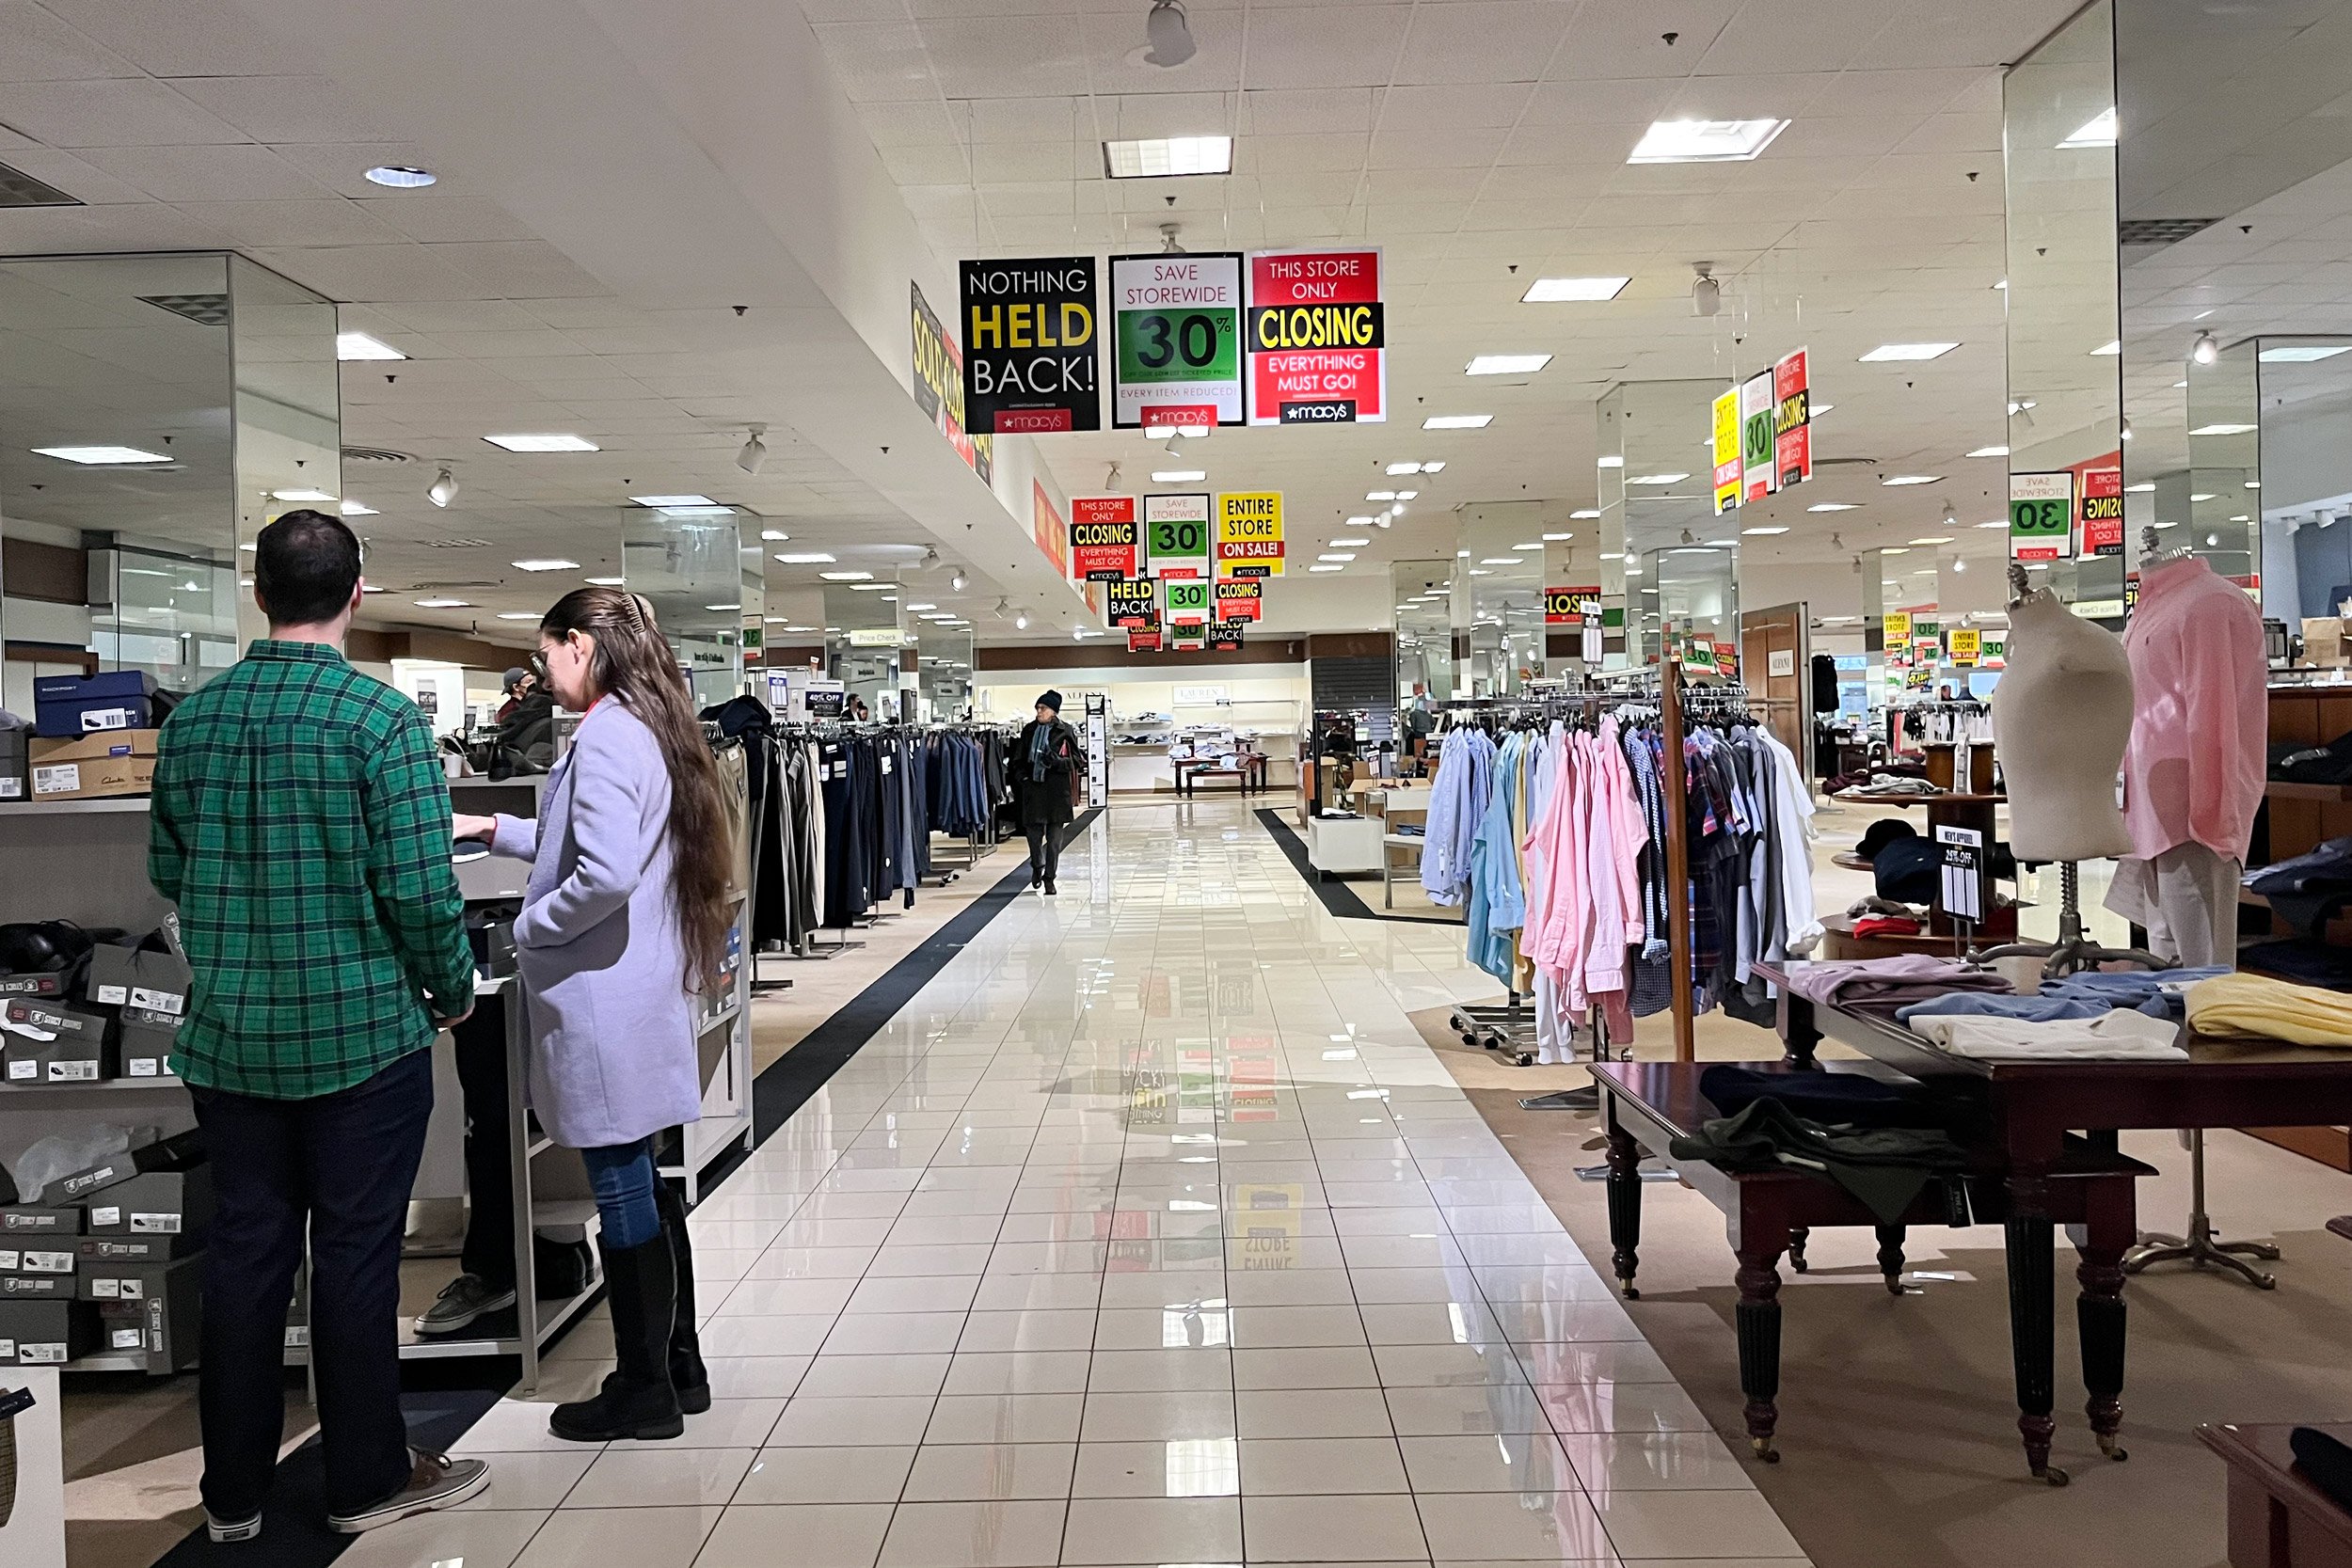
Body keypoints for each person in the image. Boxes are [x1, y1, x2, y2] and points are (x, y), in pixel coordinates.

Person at [149, 510, 488, 1542]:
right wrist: (453, 988)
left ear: (258, 592)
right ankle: (363, 1475)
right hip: (362, 1037)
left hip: (230, 1039)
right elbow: (422, 891)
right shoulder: (379, 721)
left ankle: (233, 1496)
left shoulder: (192, 721)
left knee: (247, 1254)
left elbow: (167, 869)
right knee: (355, 1255)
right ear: (356, 593)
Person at [451, 586, 725, 1442]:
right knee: (641, 1173)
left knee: (621, 1179)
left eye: (547, 655)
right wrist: (496, 829)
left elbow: (601, 873)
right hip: (634, 990)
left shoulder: (608, 734)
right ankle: (677, 1363)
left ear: (581, 644)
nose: (544, 673)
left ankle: (644, 1384)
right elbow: (589, 842)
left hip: (603, 996)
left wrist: (527, 929)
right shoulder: (647, 729)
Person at [1012, 689, 1085, 895]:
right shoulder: (1028, 731)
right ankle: (1037, 866)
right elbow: (1017, 761)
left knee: (1054, 842)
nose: (1038, 712)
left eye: (1042, 708)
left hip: (1056, 792)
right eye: (1037, 708)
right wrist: (1024, 779)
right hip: (1034, 790)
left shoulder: (1065, 731)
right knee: (1034, 838)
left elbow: (1078, 761)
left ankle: (1050, 878)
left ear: (1053, 711)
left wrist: (1057, 762)